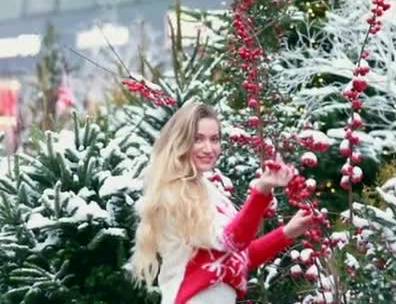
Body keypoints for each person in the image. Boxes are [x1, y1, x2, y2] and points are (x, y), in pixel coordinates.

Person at [130, 102, 314, 304]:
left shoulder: (208, 191)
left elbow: (238, 257)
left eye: (214, 139)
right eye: (197, 139)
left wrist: (287, 232)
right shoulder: (176, 194)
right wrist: (262, 190)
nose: (209, 148)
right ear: (181, 142)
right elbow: (232, 240)